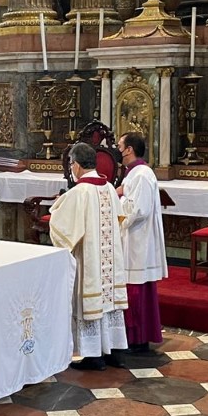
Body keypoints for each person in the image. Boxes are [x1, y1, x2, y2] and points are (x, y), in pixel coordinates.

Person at [47, 142, 129, 371]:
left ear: (77, 164)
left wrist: (55, 209)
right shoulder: (110, 189)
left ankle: (94, 355)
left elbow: (62, 228)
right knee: (109, 303)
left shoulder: (80, 192)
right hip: (110, 262)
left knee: (92, 303)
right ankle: (115, 351)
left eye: (71, 164)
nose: (71, 169)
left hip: (91, 260)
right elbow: (121, 218)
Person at [114, 132, 166, 363]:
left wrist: (117, 200)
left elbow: (139, 210)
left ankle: (137, 339)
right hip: (131, 239)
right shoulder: (133, 173)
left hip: (138, 241)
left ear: (129, 149)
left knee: (135, 292)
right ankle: (131, 337)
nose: (117, 150)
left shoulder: (142, 174)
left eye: (119, 146)